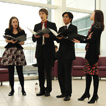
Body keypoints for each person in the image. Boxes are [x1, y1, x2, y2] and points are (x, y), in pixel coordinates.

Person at [72, 10, 104, 104]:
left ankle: (94, 95)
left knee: (94, 75)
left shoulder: (98, 25)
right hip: (89, 52)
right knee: (88, 74)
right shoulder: (94, 25)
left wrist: (81, 41)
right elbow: (88, 38)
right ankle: (86, 93)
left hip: (93, 54)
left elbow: (92, 39)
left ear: (96, 15)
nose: (91, 15)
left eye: (92, 13)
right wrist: (81, 39)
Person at [32, 8, 57, 97]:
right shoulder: (37, 26)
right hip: (40, 51)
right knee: (40, 71)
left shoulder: (52, 25)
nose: (41, 15)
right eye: (40, 14)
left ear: (46, 15)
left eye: (42, 13)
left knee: (48, 72)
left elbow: (56, 37)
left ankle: (48, 90)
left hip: (49, 51)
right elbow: (33, 39)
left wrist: (48, 36)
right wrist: (36, 37)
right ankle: (42, 89)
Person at [1, 16, 27, 96]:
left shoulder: (21, 31)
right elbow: (6, 40)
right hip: (10, 52)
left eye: (16, 22)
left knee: (20, 72)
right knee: (11, 72)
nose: (15, 23)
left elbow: (23, 42)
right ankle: (12, 90)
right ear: (11, 23)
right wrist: (11, 41)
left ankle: (23, 89)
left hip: (18, 52)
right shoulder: (8, 30)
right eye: (14, 22)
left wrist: (17, 42)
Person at [56, 12, 77, 101]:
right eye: (63, 17)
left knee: (67, 74)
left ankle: (68, 93)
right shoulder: (61, 28)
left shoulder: (73, 28)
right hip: (60, 54)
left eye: (66, 17)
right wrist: (58, 38)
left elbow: (72, 39)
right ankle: (63, 92)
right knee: (60, 74)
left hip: (68, 54)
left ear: (70, 19)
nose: (64, 18)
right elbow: (57, 40)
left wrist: (63, 37)